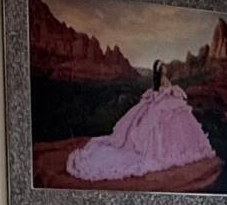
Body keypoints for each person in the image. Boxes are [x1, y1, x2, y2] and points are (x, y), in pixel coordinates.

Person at [65, 67, 217, 182]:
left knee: (174, 123)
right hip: (161, 104)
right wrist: (169, 91)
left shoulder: (163, 81)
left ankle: (176, 147)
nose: (165, 70)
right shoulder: (161, 82)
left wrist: (171, 92)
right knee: (153, 125)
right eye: (162, 68)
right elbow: (162, 91)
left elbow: (165, 90)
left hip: (165, 104)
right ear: (160, 72)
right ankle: (158, 150)